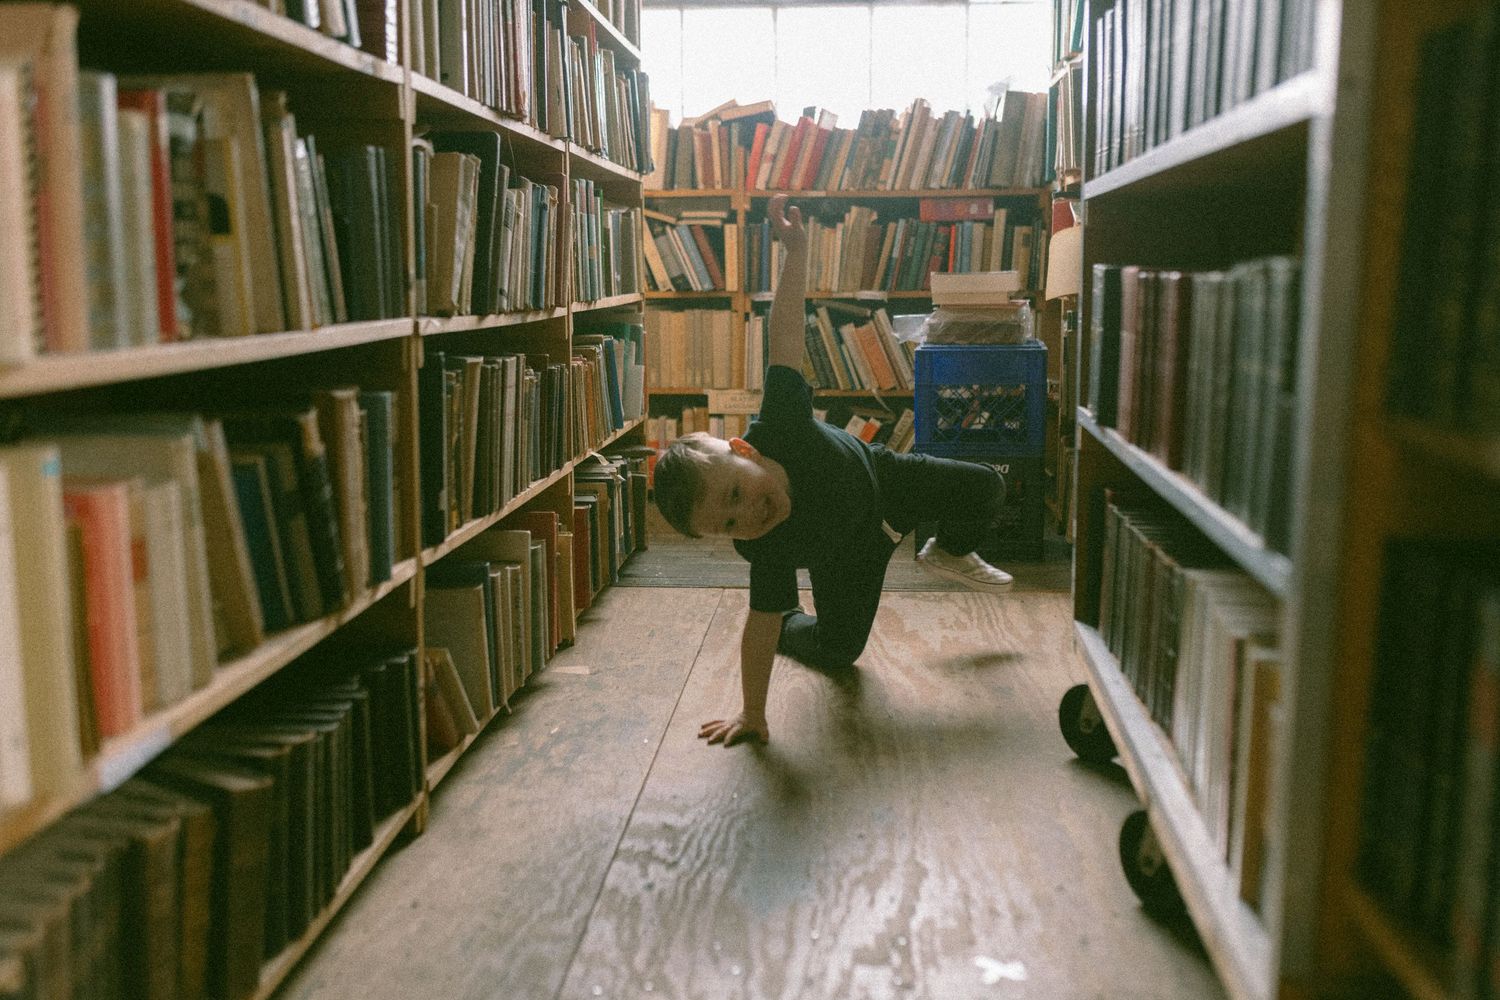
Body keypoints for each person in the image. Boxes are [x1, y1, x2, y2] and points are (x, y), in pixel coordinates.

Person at [652, 195, 1014, 748]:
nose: (746, 516)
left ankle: (947, 548)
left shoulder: (781, 424)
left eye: (735, 494)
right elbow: (757, 627)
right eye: (727, 525)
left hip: (884, 481)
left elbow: (786, 336)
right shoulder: (765, 547)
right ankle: (799, 621)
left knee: (987, 485)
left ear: (744, 453)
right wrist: (753, 713)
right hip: (849, 555)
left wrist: (795, 250)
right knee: (839, 651)